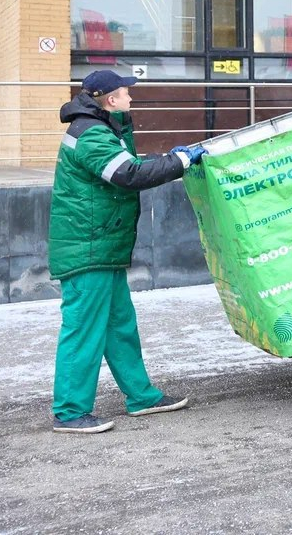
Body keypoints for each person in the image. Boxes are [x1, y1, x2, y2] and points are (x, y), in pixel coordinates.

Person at [48, 70, 207, 435]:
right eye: (125, 93)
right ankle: (69, 411)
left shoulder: (102, 129)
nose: (130, 98)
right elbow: (128, 174)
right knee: (83, 330)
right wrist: (179, 163)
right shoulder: (90, 135)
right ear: (110, 99)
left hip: (102, 246)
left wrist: (168, 158)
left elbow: (129, 163)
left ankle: (141, 396)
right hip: (88, 249)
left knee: (120, 326)